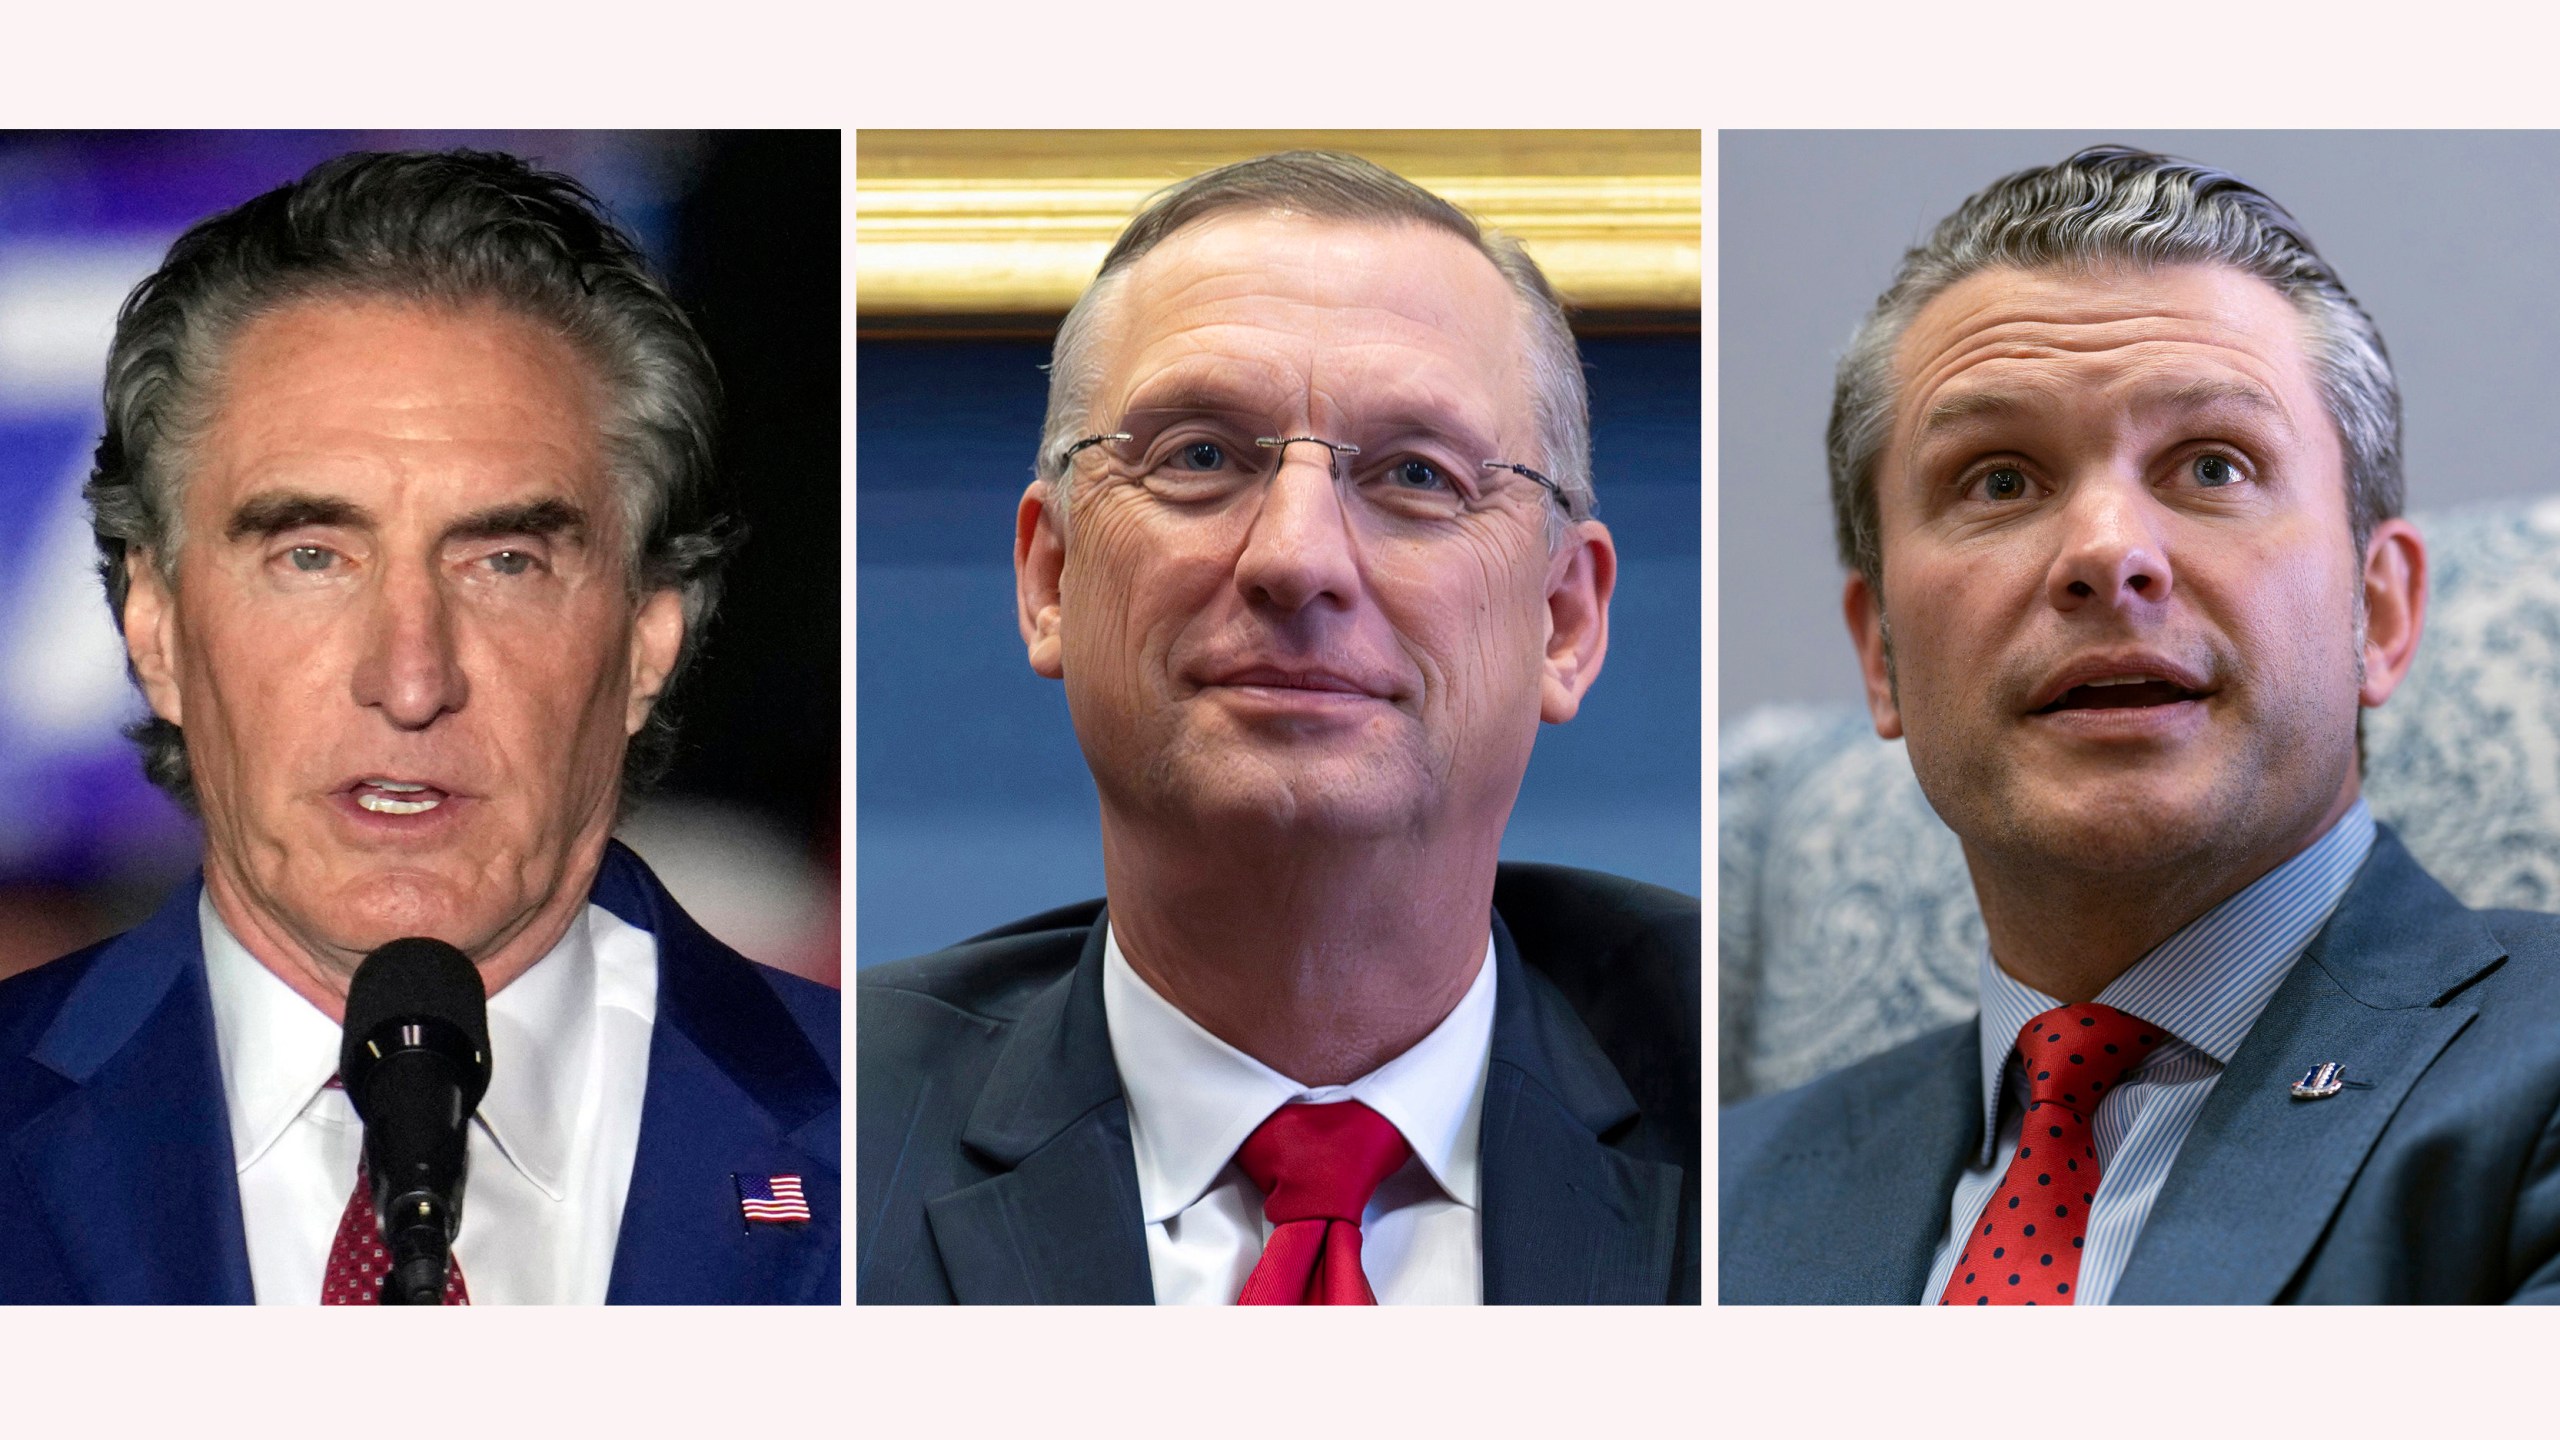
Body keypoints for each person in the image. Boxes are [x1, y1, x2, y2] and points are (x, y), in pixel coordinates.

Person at [1720, 145, 2560, 1304]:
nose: (2107, 552)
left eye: (2212, 466)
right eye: (2000, 481)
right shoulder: (1719, 1201)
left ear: (2377, 609)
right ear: (1882, 656)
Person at [856, 151, 1698, 1305]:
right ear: (1051, 578)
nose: (1296, 558)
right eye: (1199, 458)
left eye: (1416, 473)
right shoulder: (836, 1131)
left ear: (1563, 617)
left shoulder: (1738, 1099)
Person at [0, 150, 837, 1304]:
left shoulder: (901, 1150)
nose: (410, 678)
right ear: (154, 626)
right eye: (310, 556)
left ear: (648, 639)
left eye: (502, 560)